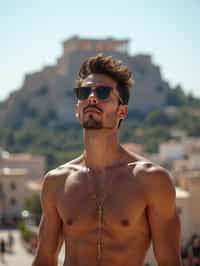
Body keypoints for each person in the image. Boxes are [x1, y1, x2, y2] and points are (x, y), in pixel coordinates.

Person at [32, 54, 182, 266]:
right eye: (84, 92)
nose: (92, 97)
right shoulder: (56, 182)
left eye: (103, 92)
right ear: (77, 108)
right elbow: (44, 259)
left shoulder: (152, 180)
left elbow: (169, 261)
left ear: (122, 110)